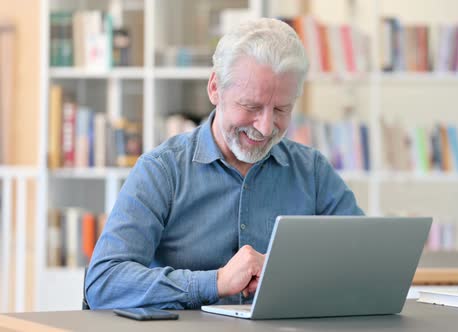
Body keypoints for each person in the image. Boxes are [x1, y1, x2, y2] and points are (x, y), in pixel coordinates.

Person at [85, 18, 363, 310]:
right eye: (251, 107)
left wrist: (284, 269)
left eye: (281, 109)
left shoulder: (313, 172)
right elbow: (104, 282)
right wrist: (215, 282)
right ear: (215, 88)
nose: (266, 127)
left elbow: (365, 260)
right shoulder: (162, 171)